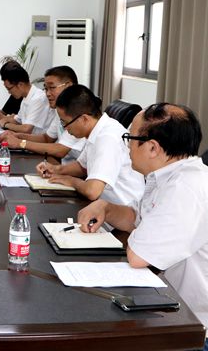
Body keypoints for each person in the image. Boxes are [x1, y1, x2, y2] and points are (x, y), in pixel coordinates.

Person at [77, 103, 208, 349]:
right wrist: (105, 207)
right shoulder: (166, 175)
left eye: (129, 138)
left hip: (192, 328)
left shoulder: (185, 188)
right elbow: (135, 217)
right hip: (168, 305)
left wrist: (139, 231)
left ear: (152, 147)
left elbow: (138, 256)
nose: (126, 146)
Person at [35, 85, 144, 204]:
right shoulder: (97, 130)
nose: (65, 128)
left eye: (65, 122)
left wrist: (70, 180)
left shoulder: (108, 137)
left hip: (122, 209)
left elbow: (92, 191)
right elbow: (82, 167)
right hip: (102, 206)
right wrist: (56, 169)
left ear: (84, 119)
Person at [0, 66, 86, 163]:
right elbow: (46, 138)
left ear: (68, 86)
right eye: (46, 89)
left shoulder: (79, 111)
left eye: (52, 88)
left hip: (79, 170)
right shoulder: (59, 110)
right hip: (65, 166)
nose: (47, 94)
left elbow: (60, 150)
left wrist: (20, 143)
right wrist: (17, 135)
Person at [0, 60, 53, 134]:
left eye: (9, 88)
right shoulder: (26, 97)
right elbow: (18, 120)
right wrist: (2, 118)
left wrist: (6, 124)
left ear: (20, 84)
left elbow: (26, 129)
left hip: (38, 139)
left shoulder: (38, 98)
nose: (9, 92)